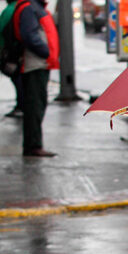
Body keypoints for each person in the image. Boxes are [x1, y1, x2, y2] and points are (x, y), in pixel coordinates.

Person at [12, 0, 58, 157]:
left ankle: (34, 144)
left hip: (39, 63)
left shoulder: (33, 6)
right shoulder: (29, 7)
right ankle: (33, 145)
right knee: (34, 105)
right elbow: (29, 35)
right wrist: (46, 52)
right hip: (35, 64)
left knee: (37, 103)